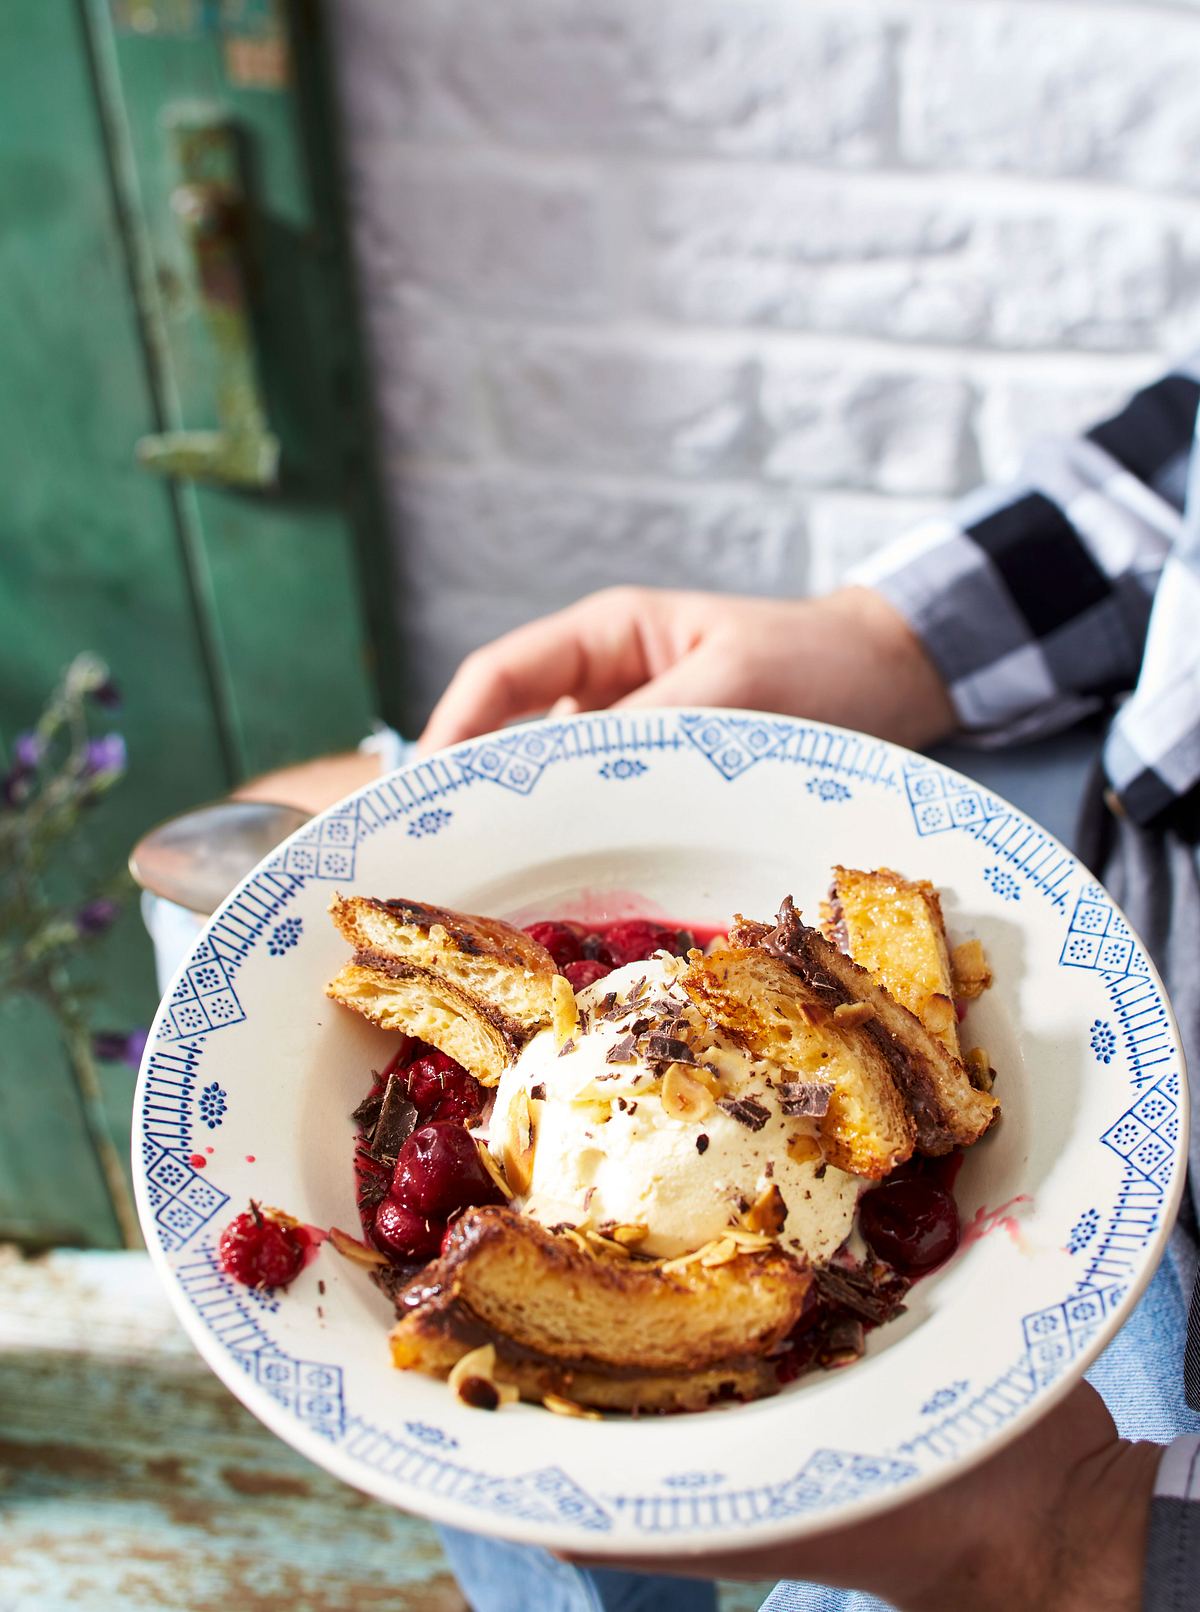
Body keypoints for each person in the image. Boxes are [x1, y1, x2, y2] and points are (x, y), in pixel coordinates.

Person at [235, 358, 1200, 1608]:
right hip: (1114, 842)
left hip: (1136, 1396)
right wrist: (884, 638)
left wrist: (1072, 1535)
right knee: (262, 855)